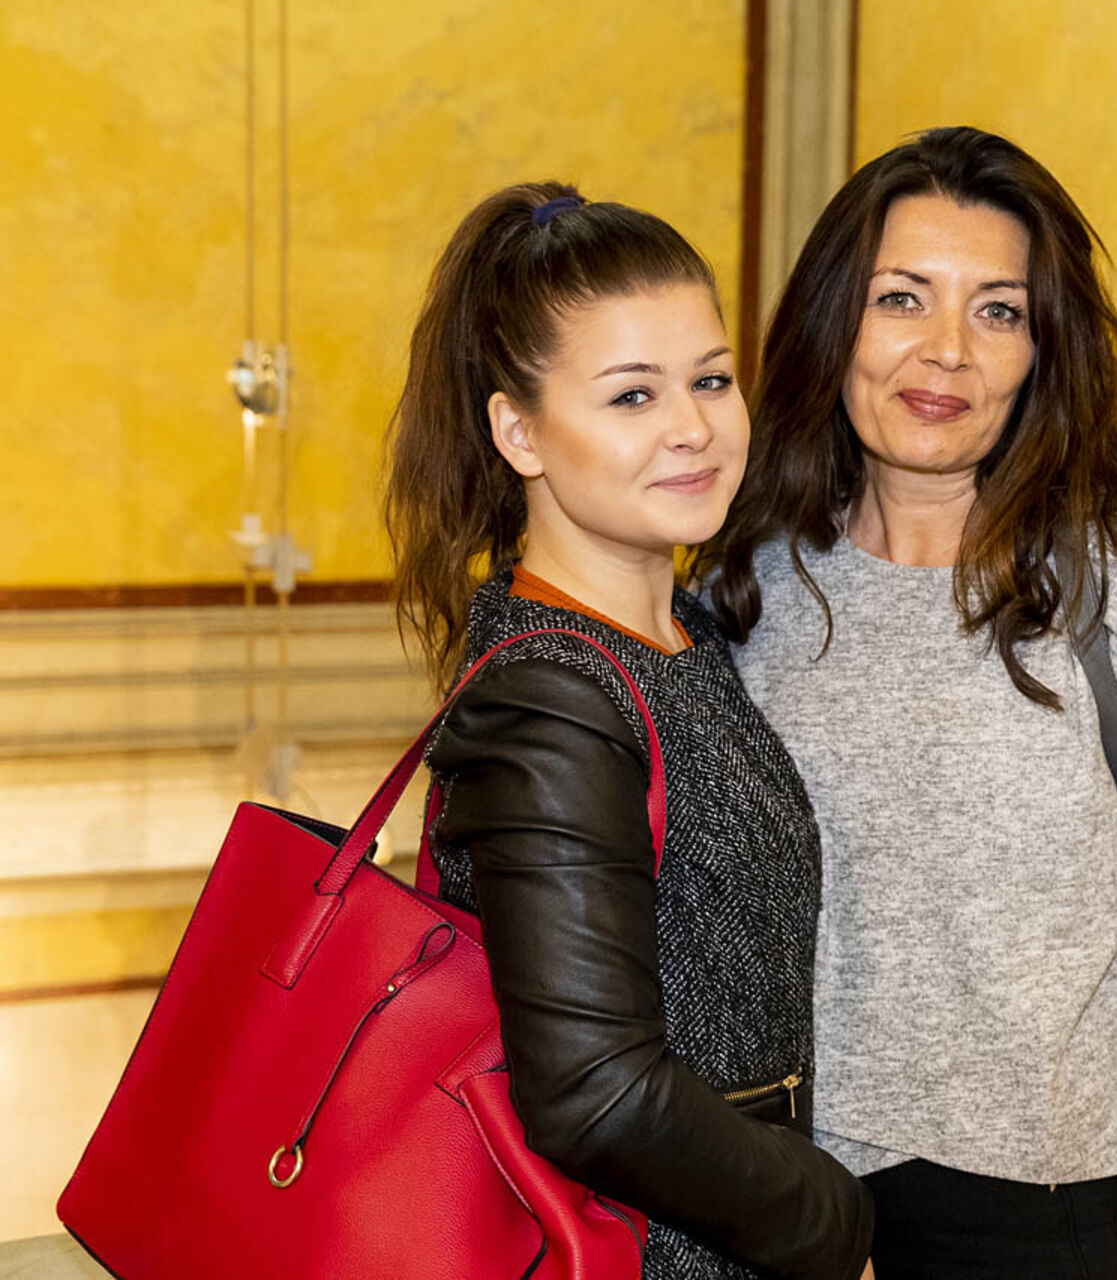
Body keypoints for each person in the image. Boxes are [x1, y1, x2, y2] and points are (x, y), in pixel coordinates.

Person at [695, 128, 1117, 1278]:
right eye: (902, 298)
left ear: (1044, 347)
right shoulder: (749, 565)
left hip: (1038, 1198)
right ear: (834, 319)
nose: (947, 350)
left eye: (998, 311)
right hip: (774, 1187)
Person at [383, 181, 873, 1280]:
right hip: (652, 1250)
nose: (692, 426)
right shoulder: (549, 698)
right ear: (519, 431)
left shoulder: (677, 633)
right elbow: (594, 1093)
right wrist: (835, 1224)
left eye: (710, 379)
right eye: (632, 395)